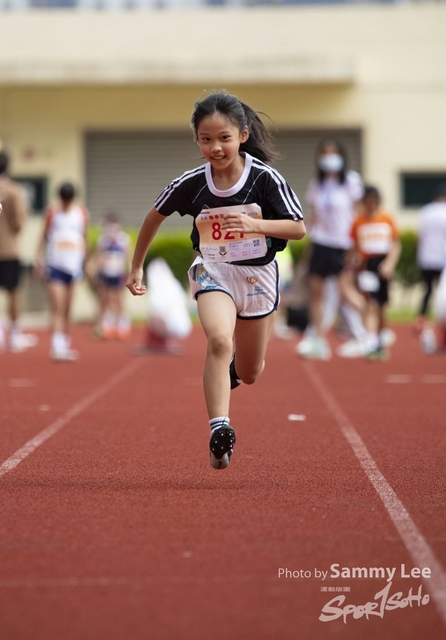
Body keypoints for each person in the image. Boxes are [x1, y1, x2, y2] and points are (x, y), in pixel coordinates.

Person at [126, 90, 306, 470]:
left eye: (224, 138)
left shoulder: (264, 179)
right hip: (213, 270)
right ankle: (219, 430)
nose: (215, 148)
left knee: (251, 372)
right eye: (206, 139)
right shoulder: (192, 183)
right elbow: (154, 216)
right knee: (220, 340)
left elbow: (298, 228)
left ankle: (231, 376)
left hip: (257, 275)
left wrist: (256, 225)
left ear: (242, 135)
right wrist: (137, 266)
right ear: (197, 140)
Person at [296, 138, 365, 360]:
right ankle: (319, 340)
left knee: (346, 292)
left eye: (333, 152)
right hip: (320, 242)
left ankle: (371, 334)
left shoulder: (351, 181)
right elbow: (315, 215)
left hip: (343, 244)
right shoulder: (318, 184)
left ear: (342, 156)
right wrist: (305, 238)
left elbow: (359, 214)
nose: (329, 157)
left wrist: (356, 245)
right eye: (325, 153)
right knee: (316, 294)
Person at [35, 182, 89, 361]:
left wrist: (87, 262)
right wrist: (38, 259)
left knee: (67, 308)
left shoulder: (81, 214)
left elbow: (84, 238)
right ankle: (57, 346)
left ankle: (65, 343)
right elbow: (43, 236)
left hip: (74, 266)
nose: (66, 203)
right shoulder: (52, 213)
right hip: (55, 265)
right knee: (57, 306)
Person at [349, 185, 401, 359]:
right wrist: (354, 260)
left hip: (382, 264)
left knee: (381, 305)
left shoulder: (386, 219)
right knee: (370, 302)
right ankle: (370, 341)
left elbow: (395, 244)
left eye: (373, 203)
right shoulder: (358, 222)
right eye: (367, 203)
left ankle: (381, 339)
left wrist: (390, 264)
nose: (370, 206)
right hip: (367, 265)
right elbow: (353, 246)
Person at [0, 150, 37, 353]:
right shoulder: (14, 190)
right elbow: (19, 224)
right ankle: (14, 335)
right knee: (13, 292)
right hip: (9, 250)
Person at [90, 212, 132, 340]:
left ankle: (122, 324)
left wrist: (130, 272)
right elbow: (99, 255)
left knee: (118, 299)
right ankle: (106, 325)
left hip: (118, 273)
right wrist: (95, 267)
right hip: (106, 272)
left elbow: (128, 257)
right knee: (105, 298)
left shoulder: (124, 239)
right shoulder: (103, 240)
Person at [415, 183, 446, 351]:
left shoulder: (425, 211)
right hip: (442, 258)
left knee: (427, 290)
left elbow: (420, 235)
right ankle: (442, 327)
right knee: (443, 295)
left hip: (426, 257)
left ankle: (421, 320)